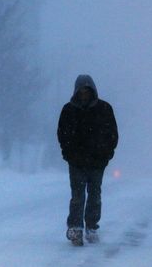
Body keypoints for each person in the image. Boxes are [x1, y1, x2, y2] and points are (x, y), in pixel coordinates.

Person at [57, 74, 118, 246]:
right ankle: (76, 228)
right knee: (77, 196)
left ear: (92, 91)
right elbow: (62, 134)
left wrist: (106, 154)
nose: (84, 94)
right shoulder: (68, 110)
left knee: (94, 195)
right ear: (77, 91)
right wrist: (68, 153)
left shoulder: (104, 109)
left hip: (97, 162)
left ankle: (91, 226)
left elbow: (112, 134)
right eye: (81, 91)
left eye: (87, 91)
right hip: (76, 162)